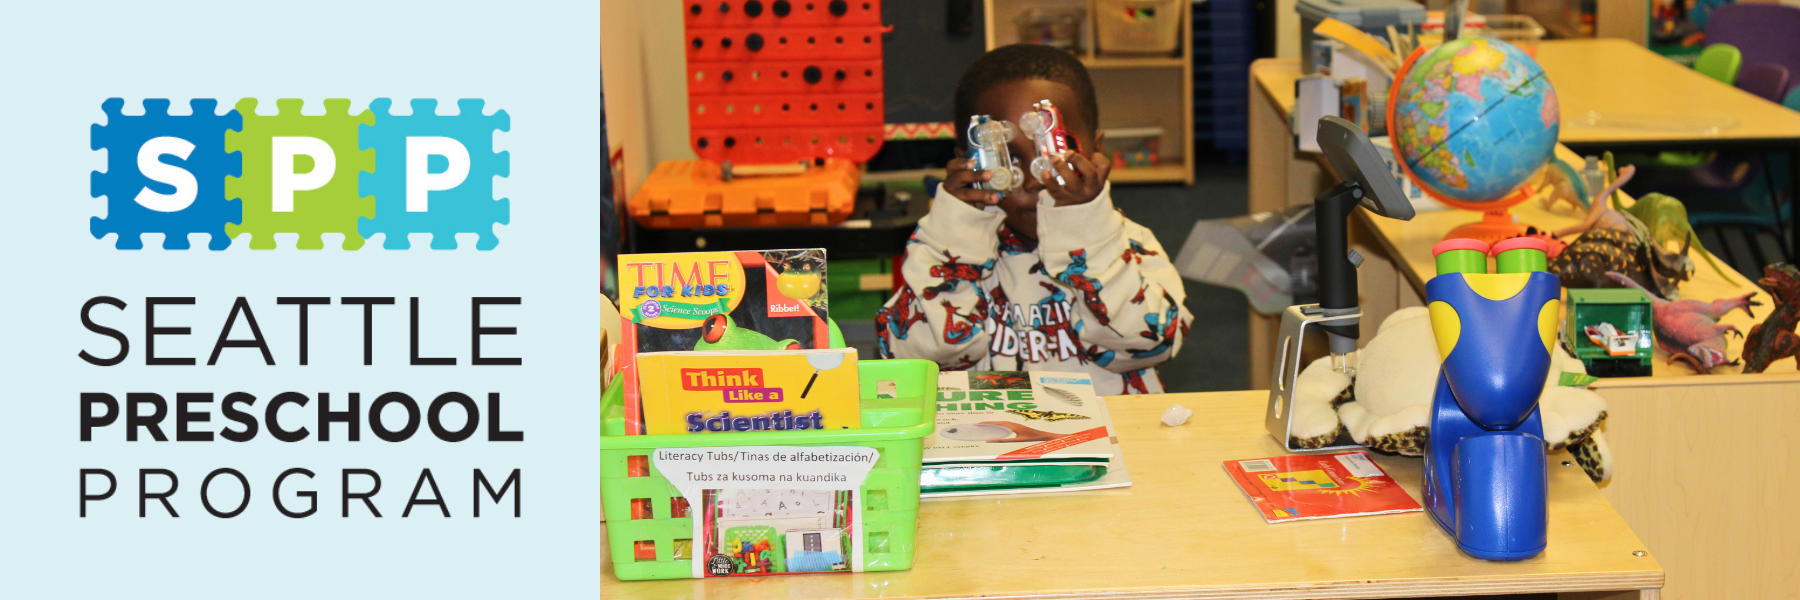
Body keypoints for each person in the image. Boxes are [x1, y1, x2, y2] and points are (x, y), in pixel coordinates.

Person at [874, 44, 1191, 395]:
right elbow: (919, 358)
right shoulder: (946, 244)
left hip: (1113, 438)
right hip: (988, 441)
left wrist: (1086, 232)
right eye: (1006, 161)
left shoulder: (1126, 243)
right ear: (968, 162)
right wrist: (957, 232)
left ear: (1096, 151)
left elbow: (1149, 344)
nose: (1032, 180)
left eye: (1052, 155)